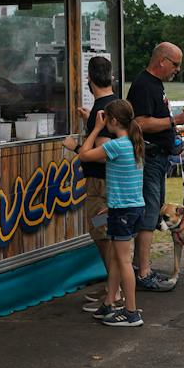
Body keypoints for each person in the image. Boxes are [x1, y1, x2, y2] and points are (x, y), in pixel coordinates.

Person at [125, 42, 184, 292]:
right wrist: (176, 119)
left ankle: (139, 267)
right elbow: (140, 124)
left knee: (153, 212)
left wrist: (174, 138)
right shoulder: (144, 85)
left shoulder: (156, 85)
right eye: (176, 64)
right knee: (148, 216)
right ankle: (144, 274)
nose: (178, 69)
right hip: (149, 160)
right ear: (162, 61)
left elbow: (160, 122)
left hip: (160, 158)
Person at [73, 99, 146, 327]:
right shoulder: (135, 143)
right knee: (115, 257)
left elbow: (84, 154)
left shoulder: (115, 145)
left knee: (123, 261)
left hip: (122, 211)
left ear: (113, 121)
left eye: (106, 121)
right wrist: (113, 207)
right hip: (129, 208)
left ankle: (132, 312)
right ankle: (109, 303)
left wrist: (94, 128)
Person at [70, 56, 116, 310]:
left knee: (103, 236)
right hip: (107, 186)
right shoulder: (113, 104)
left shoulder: (103, 110)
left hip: (101, 187)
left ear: (89, 79)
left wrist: (77, 146)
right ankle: (113, 288)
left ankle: (114, 292)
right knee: (108, 236)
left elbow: (108, 150)